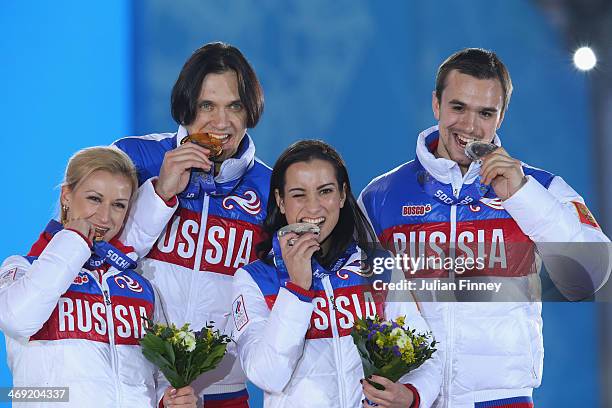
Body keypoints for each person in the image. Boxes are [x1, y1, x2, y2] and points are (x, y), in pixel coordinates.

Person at [358, 48, 611, 407]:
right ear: (436, 104)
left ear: (501, 116)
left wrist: (522, 196)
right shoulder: (379, 196)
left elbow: (589, 277)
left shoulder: (541, 188)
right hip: (410, 398)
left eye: (485, 113)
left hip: (500, 398)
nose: (470, 126)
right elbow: (362, 302)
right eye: (458, 107)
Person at [113, 41, 269, 406]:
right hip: (136, 385)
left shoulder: (270, 188)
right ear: (186, 106)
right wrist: (161, 192)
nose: (221, 122)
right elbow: (95, 255)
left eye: (235, 106)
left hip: (223, 391)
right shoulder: (135, 158)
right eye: (207, 106)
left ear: (250, 111)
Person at [231, 140, 442, 407]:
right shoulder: (254, 280)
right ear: (280, 201)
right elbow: (267, 375)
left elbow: (425, 353)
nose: (314, 207)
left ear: (342, 195)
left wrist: (412, 395)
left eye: (325, 191)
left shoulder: (378, 266)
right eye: (298, 194)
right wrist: (297, 289)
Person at [0, 146, 198, 407]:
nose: (105, 217)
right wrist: (73, 239)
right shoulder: (22, 268)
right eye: (94, 199)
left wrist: (167, 398)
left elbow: (155, 373)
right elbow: (16, 319)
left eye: (118, 205)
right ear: (66, 196)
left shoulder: (139, 286)